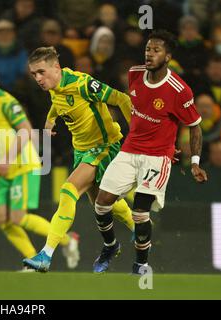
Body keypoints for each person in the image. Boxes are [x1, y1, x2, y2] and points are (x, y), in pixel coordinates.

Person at [91, 30, 208, 275]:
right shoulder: (134, 74)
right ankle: (111, 246)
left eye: (156, 50)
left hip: (157, 156)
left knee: (139, 211)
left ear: (168, 57)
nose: (149, 54)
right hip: (129, 150)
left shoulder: (179, 90)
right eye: (147, 49)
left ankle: (141, 264)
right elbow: (135, 109)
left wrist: (195, 161)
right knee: (101, 203)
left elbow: (194, 125)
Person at [0, 61, 80, 270]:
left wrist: (7, 159)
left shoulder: (6, 102)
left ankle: (68, 240)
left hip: (22, 164)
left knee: (17, 217)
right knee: (1, 219)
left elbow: (25, 130)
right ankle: (32, 260)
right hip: (7, 169)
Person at [22, 47, 135, 272]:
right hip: (82, 150)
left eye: (41, 72)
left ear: (56, 67)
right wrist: (50, 119)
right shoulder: (54, 86)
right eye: (34, 74)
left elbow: (120, 98)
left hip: (103, 146)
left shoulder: (82, 83)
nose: (38, 79)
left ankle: (46, 254)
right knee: (100, 203)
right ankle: (137, 227)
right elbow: (59, 101)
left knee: (68, 191)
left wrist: (137, 134)